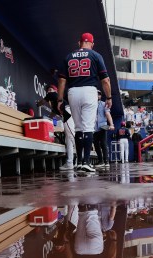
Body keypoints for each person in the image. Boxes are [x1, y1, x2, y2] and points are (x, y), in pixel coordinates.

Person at [57, 32, 112, 173]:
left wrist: (59, 99)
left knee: (78, 128)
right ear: (92, 44)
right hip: (89, 91)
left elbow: (62, 80)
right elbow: (105, 80)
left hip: (73, 92)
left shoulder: (69, 56)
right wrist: (109, 97)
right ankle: (86, 162)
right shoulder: (95, 55)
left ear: (79, 43)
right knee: (88, 127)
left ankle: (79, 161)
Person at [41, 84, 77, 170]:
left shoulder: (53, 95)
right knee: (69, 141)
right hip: (66, 115)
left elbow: (42, 102)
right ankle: (70, 163)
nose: (49, 91)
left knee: (72, 137)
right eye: (48, 90)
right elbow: (53, 113)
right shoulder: (55, 101)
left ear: (55, 90)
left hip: (67, 113)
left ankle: (82, 161)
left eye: (51, 89)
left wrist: (38, 104)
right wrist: (48, 119)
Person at [93, 90, 114, 168]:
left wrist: (111, 124)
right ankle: (100, 161)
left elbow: (108, 114)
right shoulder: (91, 105)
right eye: (96, 94)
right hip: (94, 128)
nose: (98, 96)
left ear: (100, 96)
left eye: (99, 94)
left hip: (102, 126)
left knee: (103, 144)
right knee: (96, 145)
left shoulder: (103, 104)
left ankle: (106, 161)